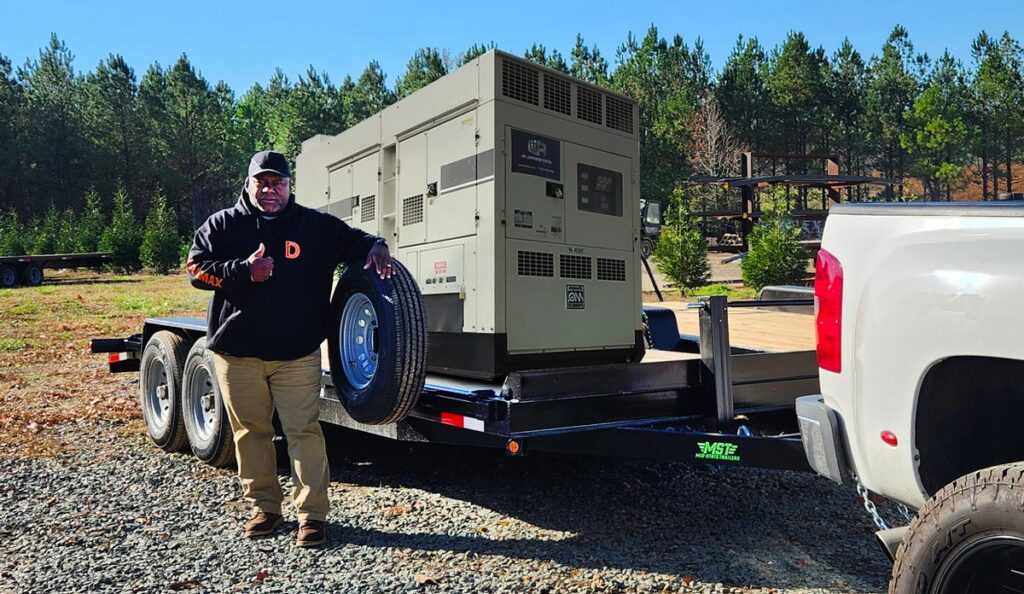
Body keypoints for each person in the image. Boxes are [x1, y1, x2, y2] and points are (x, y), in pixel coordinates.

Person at [186, 150, 392, 547]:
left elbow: (355, 241)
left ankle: (312, 516)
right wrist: (243, 271)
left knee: (304, 431)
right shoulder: (223, 225)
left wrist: (377, 244)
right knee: (252, 432)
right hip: (237, 353)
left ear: (289, 185)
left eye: (277, 182)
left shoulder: (314, 226)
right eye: (261, 182)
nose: (269, 190)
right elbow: (195, 269)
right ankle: (265, 508)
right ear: (248, 185)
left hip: (296, 354)